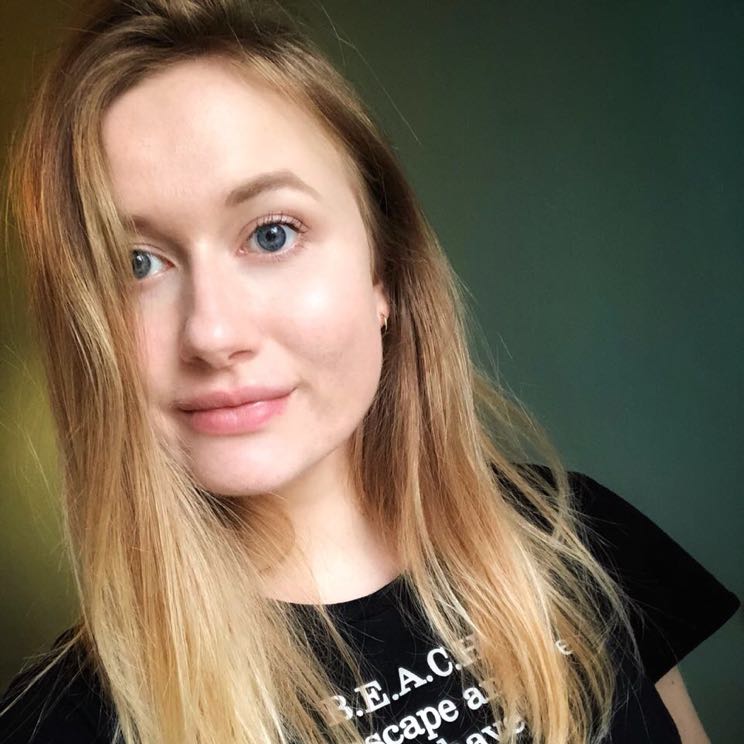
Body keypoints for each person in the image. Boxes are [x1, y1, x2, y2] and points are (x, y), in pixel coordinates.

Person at [0, 1, 739, 743]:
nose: (213, 334)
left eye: (271, 234)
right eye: (135, 264)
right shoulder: (59, 725)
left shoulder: (575, 540)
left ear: (382, 271)